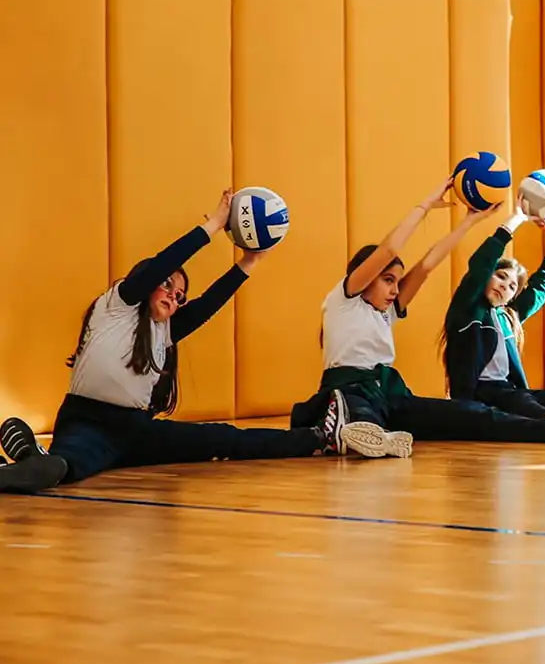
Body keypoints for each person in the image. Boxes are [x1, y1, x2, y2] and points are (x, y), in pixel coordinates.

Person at [0, 190, 363, 493]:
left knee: (222, 439)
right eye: (168, 286)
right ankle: (31, 464)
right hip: (87, 422)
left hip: (135, 430)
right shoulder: (118, 304)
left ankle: (318, 438)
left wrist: (249, 263)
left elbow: (206, 306)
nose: (174, 296)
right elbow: (162, 263)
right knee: (62, 469)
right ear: (146, 281)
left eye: (180, 296)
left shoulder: (164, 330)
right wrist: (214, 226)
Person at [290, 181, 545, 451]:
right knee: (362, 414)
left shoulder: (387, 311)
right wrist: (424, 207)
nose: (395, 290)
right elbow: (389, 250)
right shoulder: (344, 298)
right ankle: (361, 432)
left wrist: (470, 220)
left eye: (396, 282)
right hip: (349, 389)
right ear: (364, 276)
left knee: (474, 414)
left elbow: (428, 264)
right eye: (387, 280)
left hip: (390, 393)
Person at [442, 209, 545, 419]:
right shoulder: (467, 307)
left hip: (508, 389)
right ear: (488, 276)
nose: (504, 286)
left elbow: (539, 290)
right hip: (480, 393)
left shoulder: (507, 316)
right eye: (501, 277)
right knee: (523, 402)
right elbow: (480, 265)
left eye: (512, 286)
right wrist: (518, 218)